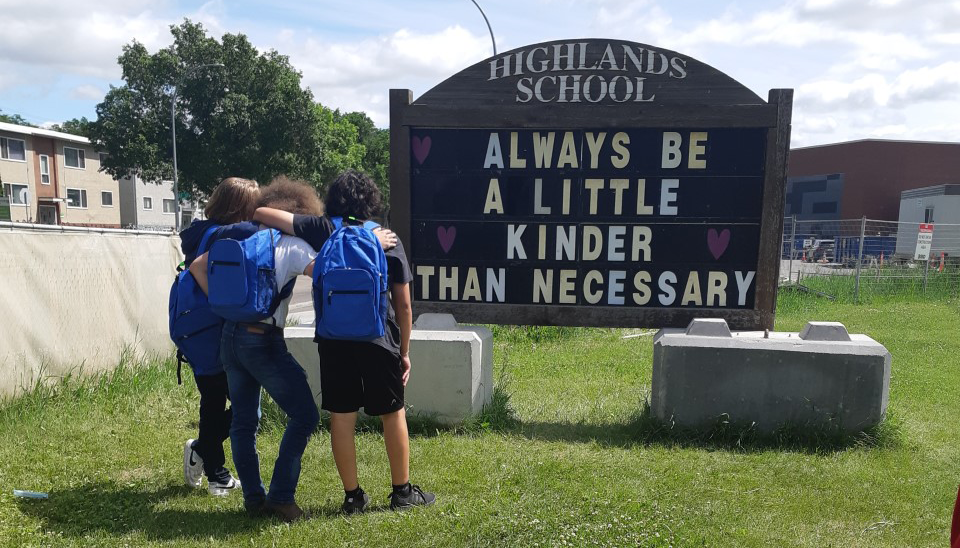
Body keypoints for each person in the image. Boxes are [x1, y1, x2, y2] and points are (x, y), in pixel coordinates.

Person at [190, 177, 322, 522]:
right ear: (299, 212)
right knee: (305, 415)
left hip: (230, 337)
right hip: (262, 340)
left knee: (244, 422)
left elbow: (197, 266)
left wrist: (225, 306)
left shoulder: (239, 236)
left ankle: (253, 499)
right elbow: (324, 273)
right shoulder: (291, 244)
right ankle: (280, 496)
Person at [313, 170, 434, 514]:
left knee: (342, 417)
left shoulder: (327, 237)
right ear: (372, 202)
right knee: (392, 413)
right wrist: (405, 353)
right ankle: (402, 493)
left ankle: (352, 497)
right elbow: (405, 305)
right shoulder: (387, 239)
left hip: (334, 340)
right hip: (379, 339)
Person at [177, 176, 261, 496]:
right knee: (244, 406)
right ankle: (205, 455)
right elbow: (252, 231)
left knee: (214, 403)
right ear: (238, 207)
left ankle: (215, 471)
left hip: (198, 332)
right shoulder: (223, 235)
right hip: (215, 332)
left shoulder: (200, 234)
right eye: (254, 207)